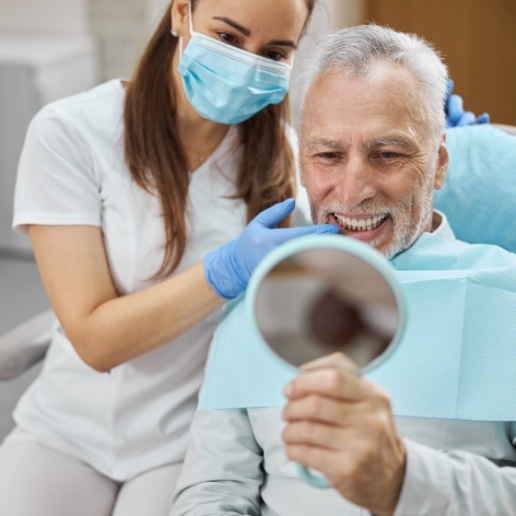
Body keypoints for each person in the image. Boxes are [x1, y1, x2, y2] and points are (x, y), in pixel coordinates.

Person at [0, 1, 343, 515]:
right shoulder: (71, 133)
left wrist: (432, 143)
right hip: (66, 428)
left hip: (189, 439)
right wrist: (224, 272)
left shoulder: (286, 161)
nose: (248, 63)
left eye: (273, 52)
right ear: (182, 12)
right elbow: (95, 341)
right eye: (228, 38)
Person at [171, 25, 516, 515]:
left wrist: (404, 480)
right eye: (328, 155)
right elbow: (213, 489)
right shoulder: (256, 303)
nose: (352, 191)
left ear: (438, 163)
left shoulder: (509, 298)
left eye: (388, 154)